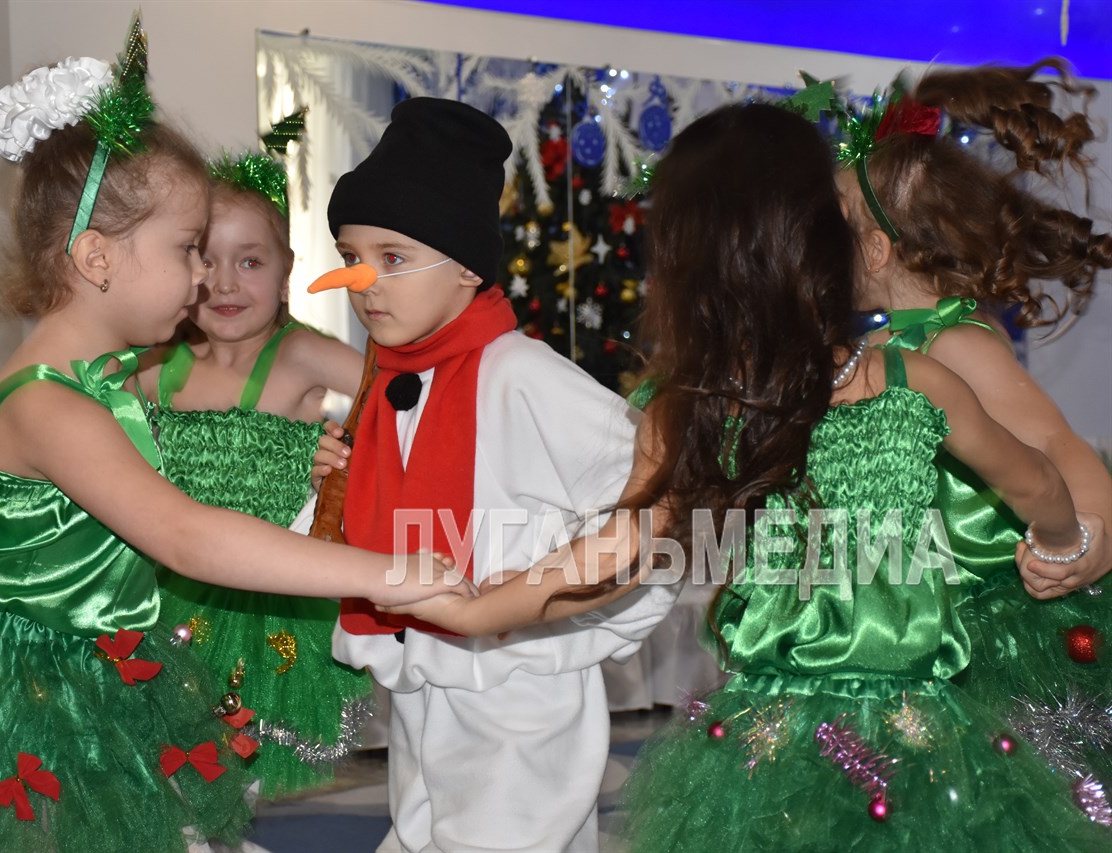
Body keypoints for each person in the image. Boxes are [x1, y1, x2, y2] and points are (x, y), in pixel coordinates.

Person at [383, 102, 1111, 850]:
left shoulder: (856, 387)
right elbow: (1034, 482)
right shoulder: (881, 384)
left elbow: (612, 555)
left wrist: (483, 609)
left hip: (872, 736)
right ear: (826, 255)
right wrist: (1060, 538)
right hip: (821, 737)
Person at [0, 39, 463, 853]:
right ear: (97, 257)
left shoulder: (105, 380)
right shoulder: (51, 406)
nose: (204, 276)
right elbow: (187, 535)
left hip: (94, 666)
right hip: (28, 698)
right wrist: (386, 573)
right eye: (186, 248)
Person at [309, 96, 679, 853]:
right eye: (351, 256)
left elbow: (649, 484)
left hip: (516, 677)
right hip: (426, 669)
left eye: (393, 257)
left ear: (467, 267)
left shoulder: (521, 373)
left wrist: (544, 581)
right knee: (423, 828)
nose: (363, 280)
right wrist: (338, 485)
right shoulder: (390, 376)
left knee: (505, 836)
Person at [834, 59, 1112, 781]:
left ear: (875, 250)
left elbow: (1053, 440)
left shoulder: (955, 341)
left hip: (985, 618)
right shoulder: (885, 348)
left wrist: (1095, 531)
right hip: (918, 608)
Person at [137, 148, 371, 799]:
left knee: (238, 766)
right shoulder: (156, 368)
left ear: (286, 271)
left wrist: (344, 461)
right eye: (205, 260)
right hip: (168, 599)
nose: (226, 284)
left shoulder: (301, 356)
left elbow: (403, 403)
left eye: (250, 262)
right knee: (168, 756)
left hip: (267, 603)